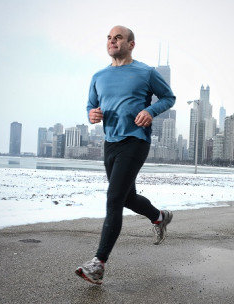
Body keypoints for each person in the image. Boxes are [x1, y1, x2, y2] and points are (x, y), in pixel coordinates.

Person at [75, 25, 176, 285]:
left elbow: (168, 97)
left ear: (131, 44)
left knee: (113, 197)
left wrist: (151, 111)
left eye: (118, 37)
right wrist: (92, 114)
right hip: (110, 142)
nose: (112, 41)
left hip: (136, 140)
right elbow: (90, 105)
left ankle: (99, 264)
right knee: (126, 197)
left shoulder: (146, 72)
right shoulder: (98, 76)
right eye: (109, 38)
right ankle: (159, 217)